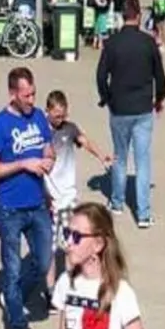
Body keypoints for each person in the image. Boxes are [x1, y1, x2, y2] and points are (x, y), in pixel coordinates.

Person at [0, 66, 55, 329]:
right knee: (11, 271)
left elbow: (49, 149)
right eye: (26, 95)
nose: (31, 99)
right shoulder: (0, 125)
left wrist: (48, 160)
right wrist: (23, 164)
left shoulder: (38, 117)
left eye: (34, 93)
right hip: (10, 209)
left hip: (38, 204)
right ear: (13, 94)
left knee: (44, 260)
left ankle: (15, 297)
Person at [96, 0, 165, 229]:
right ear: (137, 16)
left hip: (119, 108)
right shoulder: (148, 43)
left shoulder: (112, 43)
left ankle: (117, 202)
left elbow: (100, 76)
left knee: (119, 156)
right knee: (143, 161)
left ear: (122, 16)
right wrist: (159, 99)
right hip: (143, 108)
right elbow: (160, 76)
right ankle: (143, 214)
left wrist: (107, 98)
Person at [45, 91, 113, 290]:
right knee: (48, 250)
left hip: (68, 198)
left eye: (63, 115)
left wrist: (101, 155)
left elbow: (85, 141)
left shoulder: (70, 129)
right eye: (57, 116)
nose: (61, 119)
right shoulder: (41, 131)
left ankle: (69, 286)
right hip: (49, 200)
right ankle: (50, 291)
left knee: (71, 246)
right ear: (47, 111)